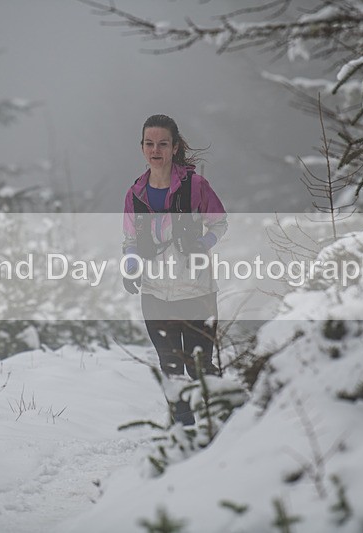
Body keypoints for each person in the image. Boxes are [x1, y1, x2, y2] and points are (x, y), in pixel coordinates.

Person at [122, 114, 228, 426]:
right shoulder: (135, 194)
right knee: (170, 366)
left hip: (197, 291)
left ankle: (216, 433)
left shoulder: (195, 185)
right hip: (154, 294)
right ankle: (183, 434)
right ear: (142, 147)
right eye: (149, 143)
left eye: (163, 144)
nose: (156, 150)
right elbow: (129, 238)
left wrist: (204, 242)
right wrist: (130, 264)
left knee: (200, 368)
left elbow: (220, 222)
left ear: (175, 147)